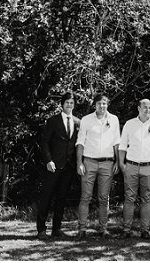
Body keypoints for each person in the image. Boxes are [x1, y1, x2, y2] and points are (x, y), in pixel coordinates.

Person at [118, 99, 150, 239]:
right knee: (129, 198)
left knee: (147, 199)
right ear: (138, 108)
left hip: (149, 167)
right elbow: (122, 146)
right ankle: (126, 230)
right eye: (145, 107)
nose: (148, 110)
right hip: (131, 166)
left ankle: (145, 230)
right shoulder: (129, 124)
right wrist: (122, 164)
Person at [76, 93, 121, 239]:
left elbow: (116, 142)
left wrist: (118, 162)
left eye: (104, 103)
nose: (102, 106)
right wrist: (79, 162)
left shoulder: (113, 119)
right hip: (89, 162)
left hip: (108, 163)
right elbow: (80, 142)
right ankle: (82, 229)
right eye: (100, 103)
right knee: (85, 197)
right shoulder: (86, 120)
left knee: (104, 198)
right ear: (94, 104)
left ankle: (103, 229)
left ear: (107, 105)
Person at [36, 92, 79, 240]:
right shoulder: (53, 121)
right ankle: (41, 230)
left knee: (61, 199)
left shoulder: (77, 122)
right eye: (67, 102)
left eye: (72, 103)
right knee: (46, 198)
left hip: (68, 166)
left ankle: (57, 229)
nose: (69, 105)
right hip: (53, 165)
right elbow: (44, 142)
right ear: (62, 104)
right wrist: (48, 160)